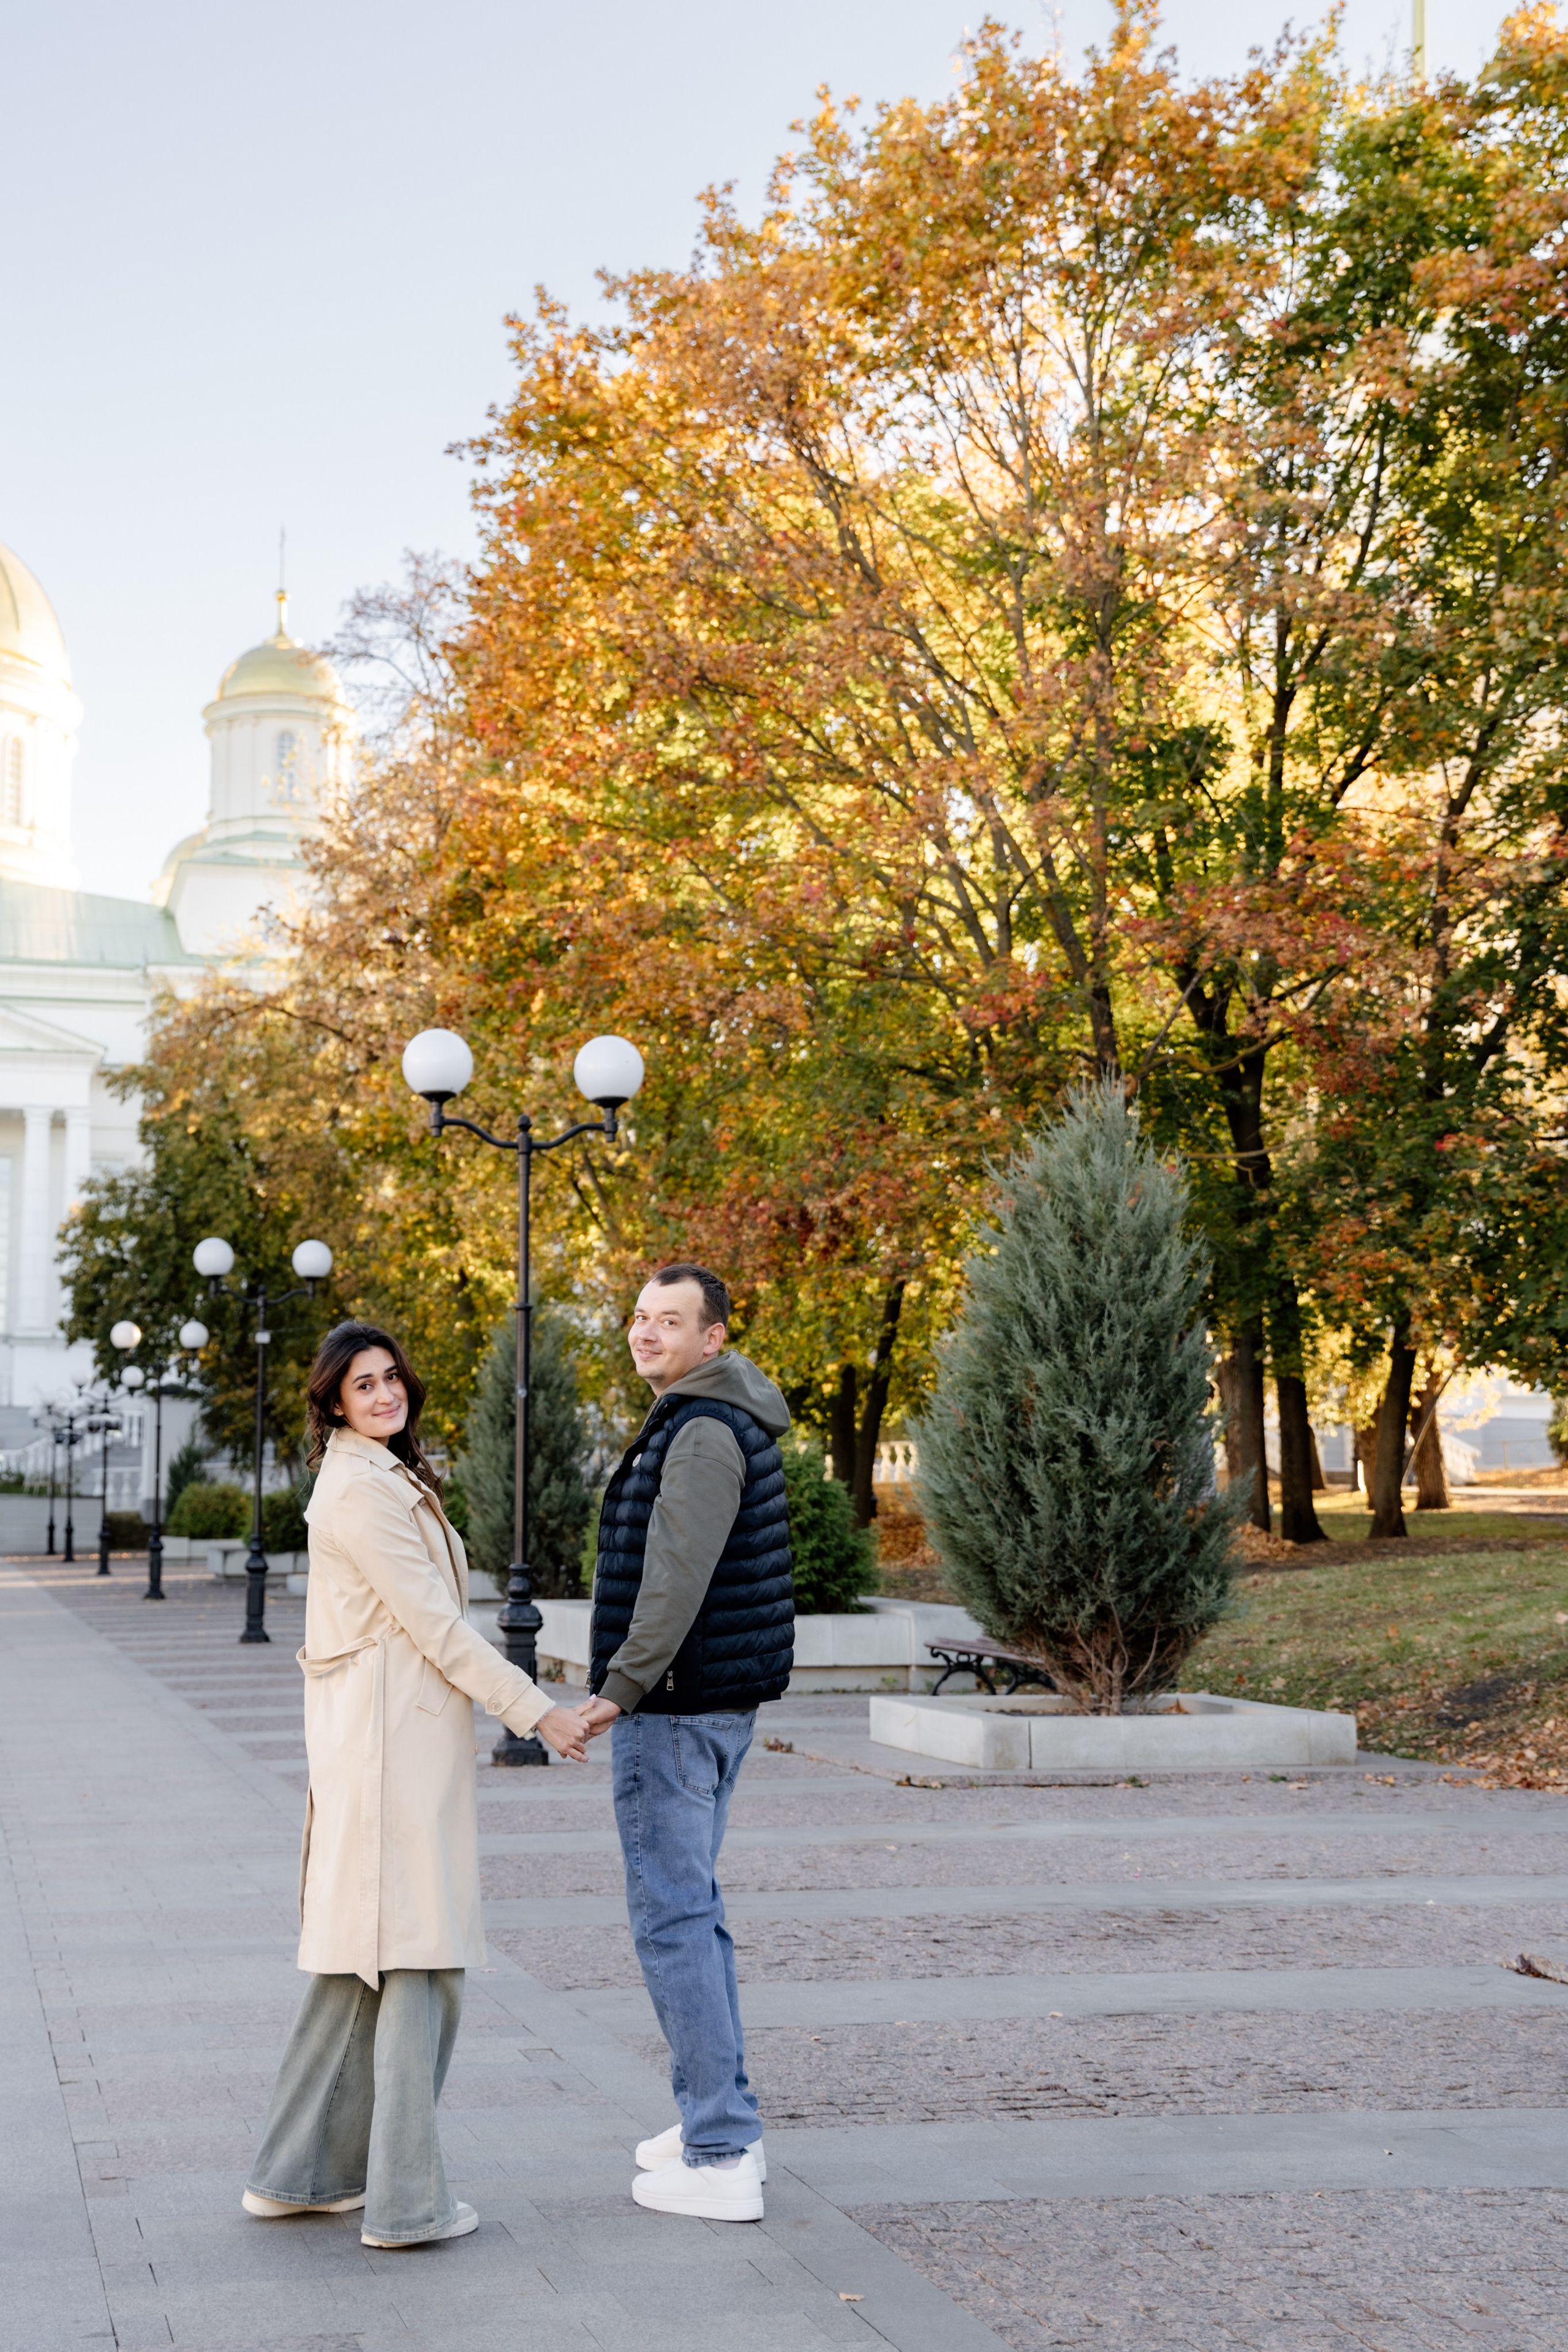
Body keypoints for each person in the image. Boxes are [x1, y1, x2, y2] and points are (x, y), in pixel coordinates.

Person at [243, 1320, 587, 2248]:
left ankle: (299, 2173)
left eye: (392, 1377)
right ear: (334, 1403)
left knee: (361, 1969)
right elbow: (439, 1628)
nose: (385, 1393)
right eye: (363, 1384)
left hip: (389, 1743)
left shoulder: (377, 1478)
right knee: (420, 1963)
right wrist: (538, 1711)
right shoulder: (360, 1492)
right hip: (390, 1753)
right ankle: (404, 2203)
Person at [579, 1262, 794, 2223]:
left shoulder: (703, 1431)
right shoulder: (698, 1415)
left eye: (672, 1320)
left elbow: (674, 1580)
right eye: (640, 1316)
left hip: (674, 1708)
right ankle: (714, 2115)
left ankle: (721, 2151)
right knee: (692, 1916)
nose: (647, 1331)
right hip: (703, 1699)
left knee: (673, 1922)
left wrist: (617, 1691)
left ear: (714, 1339)